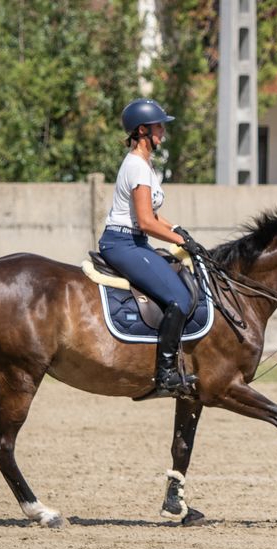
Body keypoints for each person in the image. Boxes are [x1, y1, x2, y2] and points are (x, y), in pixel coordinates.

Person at [99, 98, 203, 398]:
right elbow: (145, 221)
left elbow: (153, 217)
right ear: (143, 130)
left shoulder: (145, 165)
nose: (163, 132)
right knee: (180, 299)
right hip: (123, 243)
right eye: (159, 127)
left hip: (134, 241)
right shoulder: (137, 166)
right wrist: (181, 241)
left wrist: (176, 230)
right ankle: (166, 374)